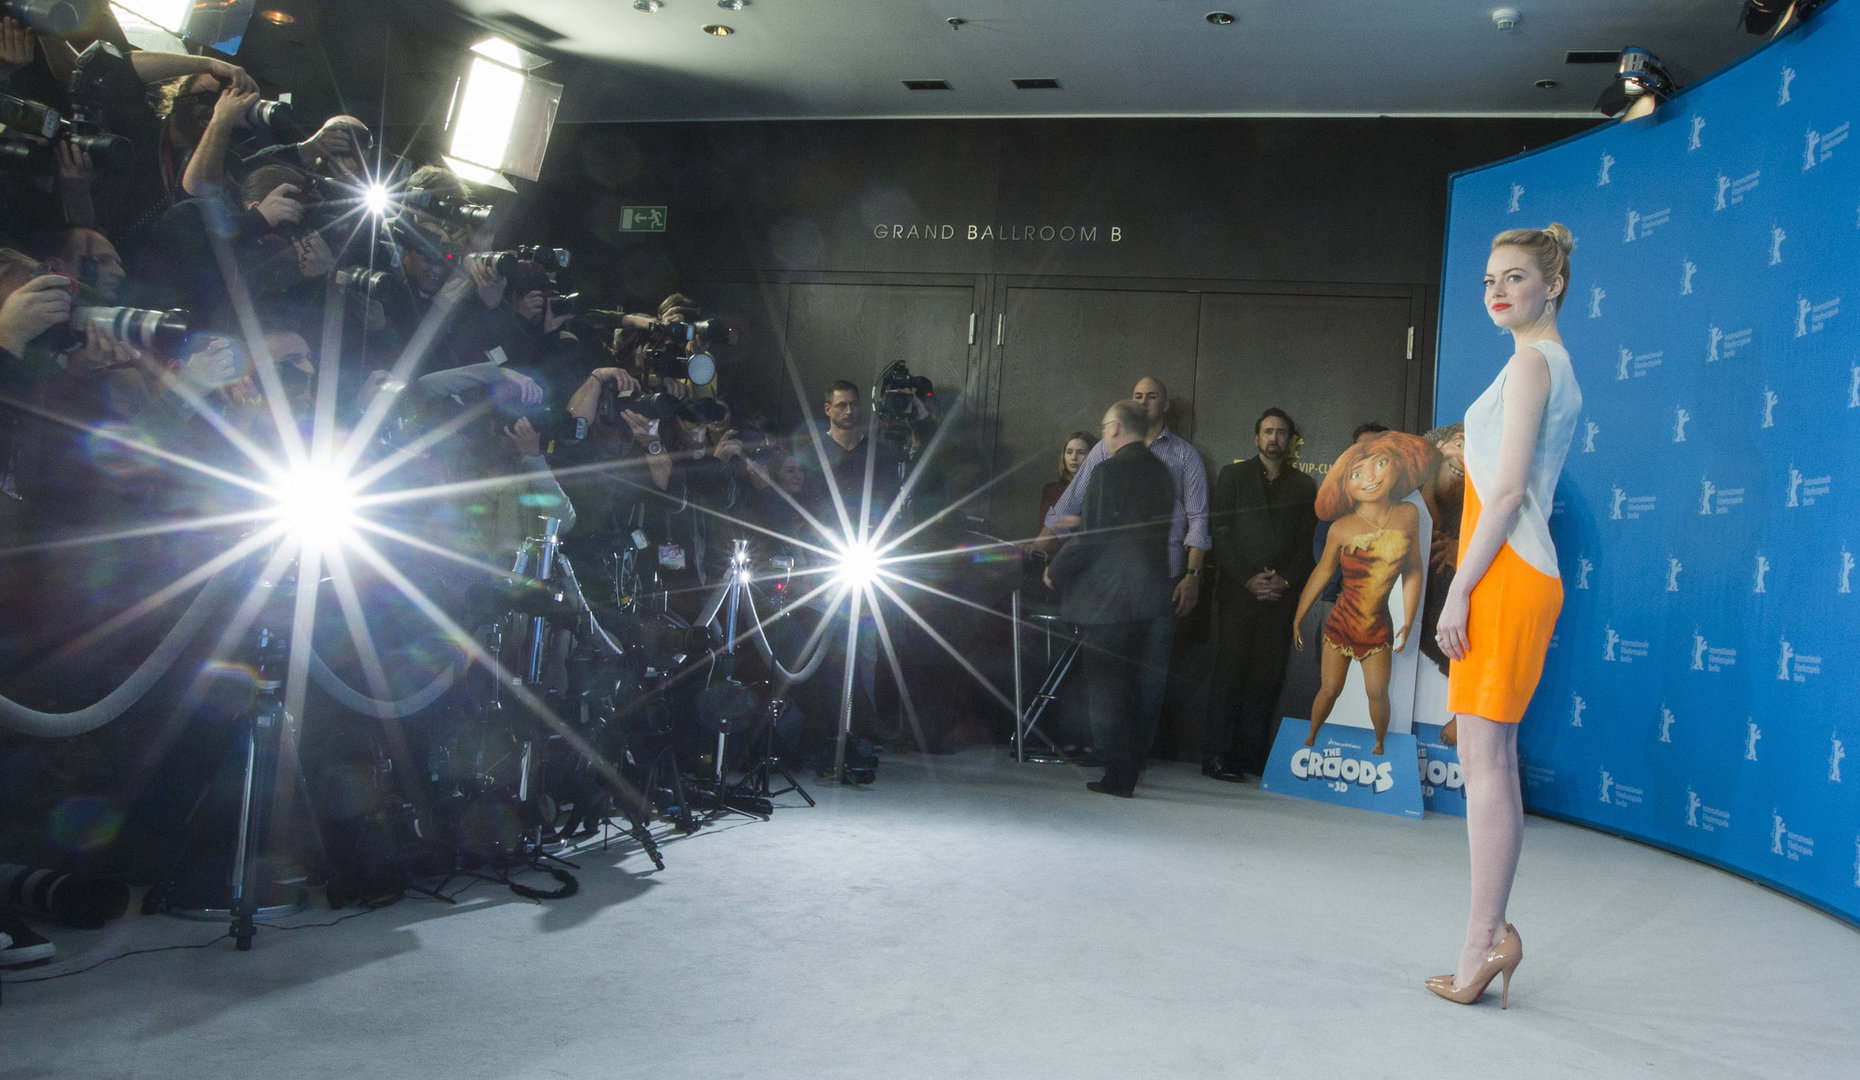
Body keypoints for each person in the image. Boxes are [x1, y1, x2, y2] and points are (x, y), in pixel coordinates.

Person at [1427, 223, 1582, 1008]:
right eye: (1490, 277)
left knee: (1485, 767)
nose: (1497, 289)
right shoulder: (1543, 362)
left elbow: (1511, 491)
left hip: (1507, 576)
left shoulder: (1531, 364)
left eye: (1515, 277)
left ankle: (1482, 945)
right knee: (1493, 765)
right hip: (1515, 572)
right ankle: (1489, 940)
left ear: (1551, 285)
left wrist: (1457, 590)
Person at [1041, 376, 1210, 751]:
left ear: (1165, 405)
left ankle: (1132, 756)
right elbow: (1070, 503)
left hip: (1163, 578)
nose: (1145, 401)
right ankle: (1113, 755)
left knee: (1148, 675)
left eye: (1152, 396)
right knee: (1112, 673)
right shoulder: (1102, 452)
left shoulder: (1181, 457)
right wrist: (1037, 545)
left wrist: (1192, 575)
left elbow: (1198, 519)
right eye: (1138, 396)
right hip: (1109, 583)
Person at [1044, 398, 1176, 796]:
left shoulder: (1106, 470)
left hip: (1108, 597)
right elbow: (1134, 528)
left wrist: (1057, 568)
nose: (1104, 435)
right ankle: (1131, 765)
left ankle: (1117, 776)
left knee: (1106, 689)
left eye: (1104, 429)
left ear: (1116, 428)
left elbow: (1095, 539)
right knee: (1132, 686)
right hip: (1148, 594)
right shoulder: (1162, 473)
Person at [1291, 431, 1437, 756]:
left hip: (1378, 624)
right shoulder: (1341, 527)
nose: (1369, 479)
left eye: (1380, 464)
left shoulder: (1408, 515)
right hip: (1341, 622)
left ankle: (1381, 745)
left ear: (1396, 466)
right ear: (1346, 485)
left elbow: (1413, 569)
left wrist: (1409, 618)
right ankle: (1311, 737)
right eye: (1357, 474)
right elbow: (1322, 572)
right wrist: (1298, 617)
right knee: (1329, 689)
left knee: (1377, 692)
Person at [1202, 407, 1317, 780]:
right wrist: (1248, 578)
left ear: (1290, 441)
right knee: (1228, 675)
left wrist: (1283, 580)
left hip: (1280, 598)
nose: (1274, 438)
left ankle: (1249, 758)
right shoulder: (1233, 476)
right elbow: (1219, 532)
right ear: (1256, 438)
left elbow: (1306, 545)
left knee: (1266, 679)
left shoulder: (1303, 486)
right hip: (1238, 594)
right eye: (1267, 432)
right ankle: (1215, 757)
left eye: (1281, 433)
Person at [1038, 430, 1095, 534]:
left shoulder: (1098, 490)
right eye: (1069, 452)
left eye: (1081, 452)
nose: (1073, 457)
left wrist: (1079, 522)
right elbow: (1045, 530)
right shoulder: (1051, 489)